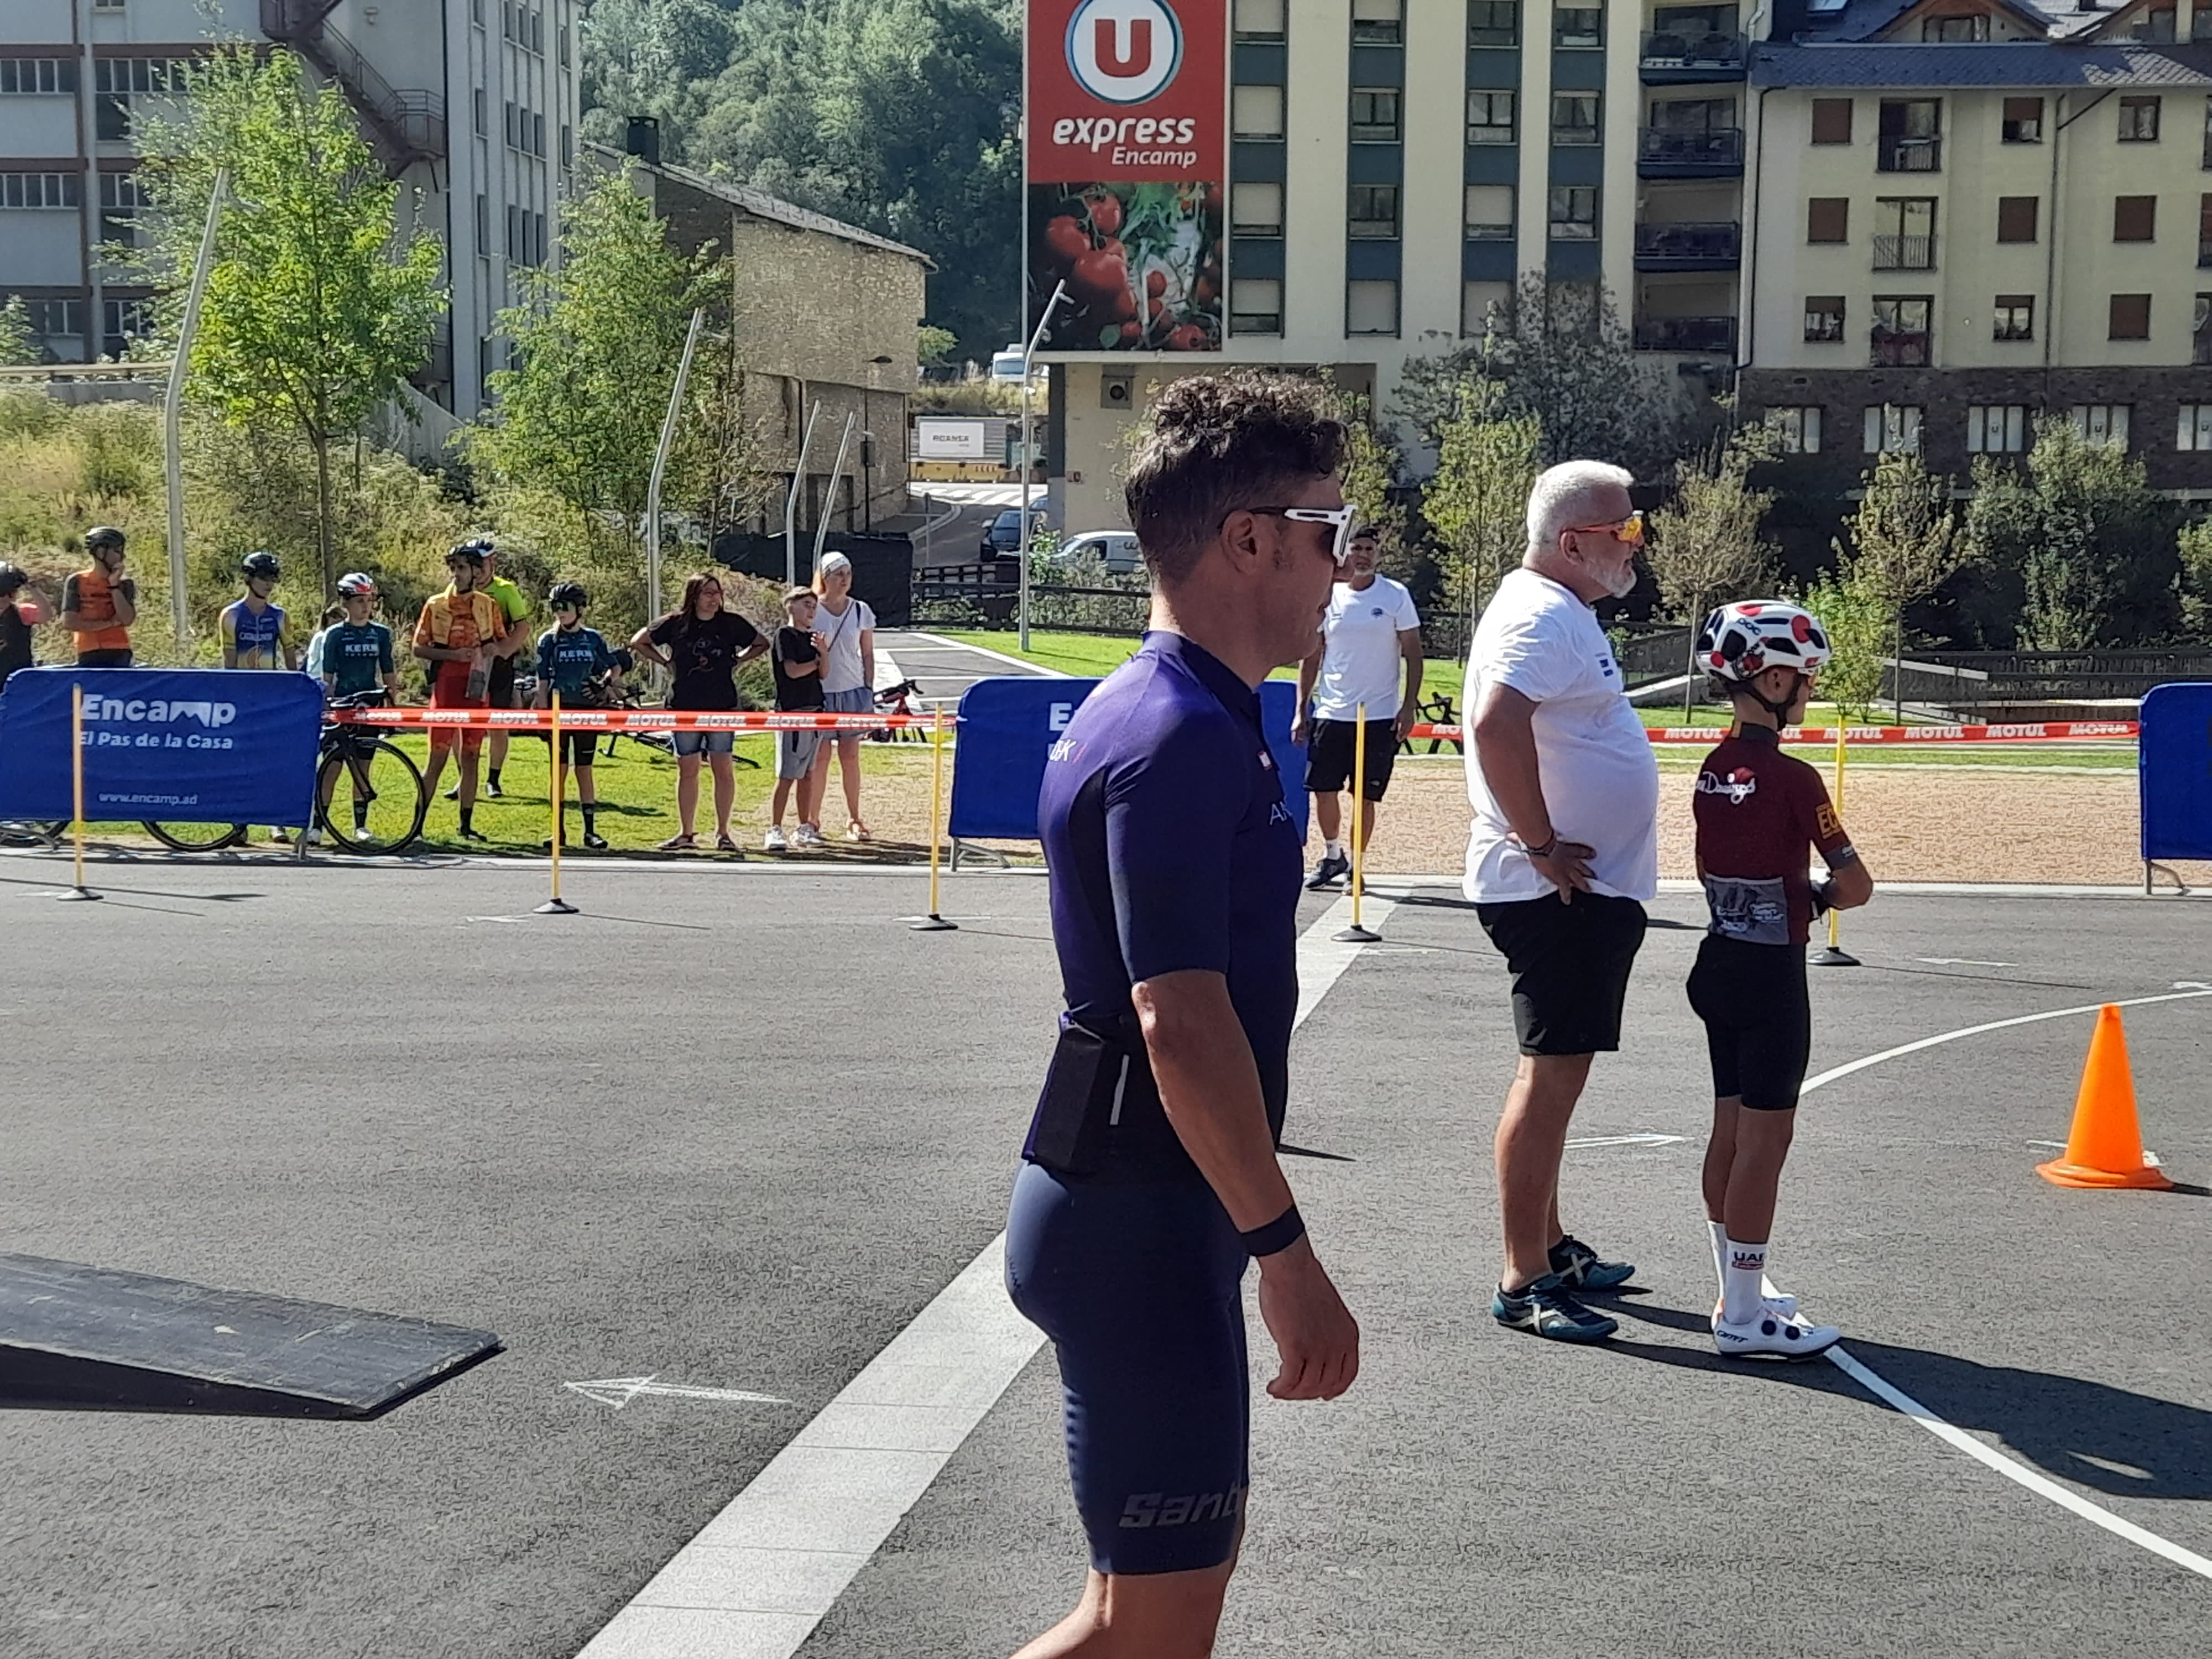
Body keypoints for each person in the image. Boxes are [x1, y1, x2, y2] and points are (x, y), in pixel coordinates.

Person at [1005, 371, 1360, 1659]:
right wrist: (1288, 1255)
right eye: (1328, 528)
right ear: (1249, 538)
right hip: (1140, 1223)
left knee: (1129, 1626)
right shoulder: (1178, 732)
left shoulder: (1186, 711)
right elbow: (1178, 1021)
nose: (1342, 563)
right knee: (1151, 1639)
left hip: (1148, 1212)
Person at [1465, 460, 1657, 1344]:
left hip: (1573, 890)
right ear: (1574, 542)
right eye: (1626, 531)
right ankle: (1524, 1278)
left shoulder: (1559, 609)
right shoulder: (1542, 614)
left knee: (1557, 1077)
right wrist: (1542, 845)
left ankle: (1547, 1245)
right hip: (1554, 893)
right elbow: (1495, 726)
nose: (1637, 544)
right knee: (1548, 1081)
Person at [1690, 601, 1872, 1360]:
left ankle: (1734, 1287)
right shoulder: (1796, 779)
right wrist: (1819, 897)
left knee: (1729, 1130)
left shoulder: (1710, 768)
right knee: (1766, 1142)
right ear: (1770, 680)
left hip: (1719, 960)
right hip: (1772, 976)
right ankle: (1742, 1315)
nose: (1810, 690)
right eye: (1805, 677)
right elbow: (1855, 885)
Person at [1291, 526, 1423, 889]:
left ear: (1377, 554)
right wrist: (1301, 709)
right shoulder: (1328, 596)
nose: (1363, 555)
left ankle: (1357, 866)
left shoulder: (1395, 596)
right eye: (1357, 549)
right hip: (1332, 712)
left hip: (1377, 716)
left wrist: (1408, 707)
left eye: (1369, 549)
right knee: (1323, 789)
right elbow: (1312, 656)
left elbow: (1413, 654)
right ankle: (1333, 855)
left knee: (1364, 795)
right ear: (1345, 553)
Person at [632, 571, 766, 853]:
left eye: (718, 593)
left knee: (723, 767)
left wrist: (738, 661)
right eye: (708, 593)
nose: (714, 599)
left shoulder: (731, 623)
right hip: (684, 704)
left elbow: (761, 643)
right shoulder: (675, 623)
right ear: (694, 595)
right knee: (688, 768)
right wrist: (665, 662)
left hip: (721, 705)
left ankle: (723, 833)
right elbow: (639, 641)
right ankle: (686, 833)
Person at [412, 541, 509, 842]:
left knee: (471, 756)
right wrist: (453, 656)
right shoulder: (435, 605)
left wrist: (493, 650)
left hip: (477, 686)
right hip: (446, 686)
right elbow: (418, 648)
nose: (456, 573)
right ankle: (417, 827)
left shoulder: (488, 605)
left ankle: (466, 826)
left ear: (476, 572)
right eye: (453, 568)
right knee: (437, 758)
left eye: (462, 568)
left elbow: (502, 642)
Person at [535, 581, 618, 851]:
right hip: (558, 708)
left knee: (584, 768)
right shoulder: (548, 640)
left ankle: (590, 831)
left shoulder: (593, 638)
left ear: (580, 609)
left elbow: (614, 666)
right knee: (558, 770)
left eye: (566, 607)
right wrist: (542, 712)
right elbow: (542, 679)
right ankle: (557, 831)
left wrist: (603, 684)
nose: (560, 612)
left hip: (586, 711)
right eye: (555, 607)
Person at [803, 550, 875, 843]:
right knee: (820, 758)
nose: (844, 580)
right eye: (838, 574)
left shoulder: (860, 610)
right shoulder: (812, 608)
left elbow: (867, 653)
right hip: (821, 692)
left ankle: (855, 818)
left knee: (851, 755)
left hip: (852, 690)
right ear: (825, 577)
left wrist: (868, 687)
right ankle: (812, 819)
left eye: (848, 574)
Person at [764, 587, 825, 851]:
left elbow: (824, 673)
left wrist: (824, 653)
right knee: (787, 774)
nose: (811, 611)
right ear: (791, 606)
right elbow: (792, 671)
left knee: (808, 774)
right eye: (806, 605)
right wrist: (816, 662)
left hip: (815, 710)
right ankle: (775, 827)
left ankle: (804, 827)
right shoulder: (784, 636)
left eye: (814, 606)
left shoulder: (813, 639)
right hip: (793, 712)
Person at [476, 539, 533, 799]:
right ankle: (465, 777)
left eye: (483, 563)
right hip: (470, 664)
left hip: (499, 666)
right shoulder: (460, 587)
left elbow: (523, 626)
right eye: (473, 564)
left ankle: (493, 779)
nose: (478, 569)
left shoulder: (505, 590)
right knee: (465, 722)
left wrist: (505, 650)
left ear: (493, 563)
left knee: (498, 722)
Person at [60, 526, 135, 667]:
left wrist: (114, 586)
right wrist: (109, 624)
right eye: (117, 551)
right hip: (88, 649)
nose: (122, 557)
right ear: (101, 552)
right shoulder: (76, 581)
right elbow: (70, 622)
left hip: (119, 649)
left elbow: (127, 619)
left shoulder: (125, 583)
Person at [221, 551, 295, 671]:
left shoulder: (280, 616)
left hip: (269, 681)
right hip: (242, 681)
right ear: (248, 578)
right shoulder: (231, 615)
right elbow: (229, 662)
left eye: (272, 578)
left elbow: (291, 658)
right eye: (263, 578)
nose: (269, 584)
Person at [0, 562, 42, 694]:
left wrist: (31, 587)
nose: (3, 599)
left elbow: (46, 615)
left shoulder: (22, 612)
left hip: (19, 682)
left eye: (8, 594)